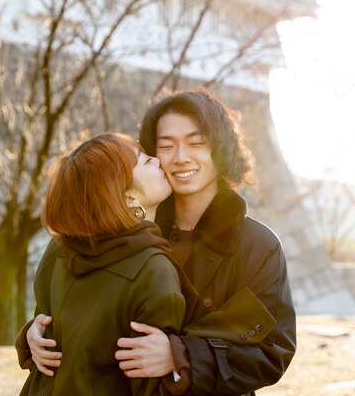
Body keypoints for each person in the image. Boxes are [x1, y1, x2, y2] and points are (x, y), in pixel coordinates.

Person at [18, 91, 297, 396]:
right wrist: (36, 333)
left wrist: (182, 356)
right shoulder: (119, 229)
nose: (181, 157)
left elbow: (273, 352)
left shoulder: (257, 246)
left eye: (196, 143)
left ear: (220, 148)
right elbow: (83, 307)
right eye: (166, 146)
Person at [16, 133, 186, 396]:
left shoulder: (60, 248)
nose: (156, 159)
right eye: (143, 161)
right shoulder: (154, 272)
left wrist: (29, 334)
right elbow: (151, 385)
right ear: (129, 198)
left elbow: (48, 325)